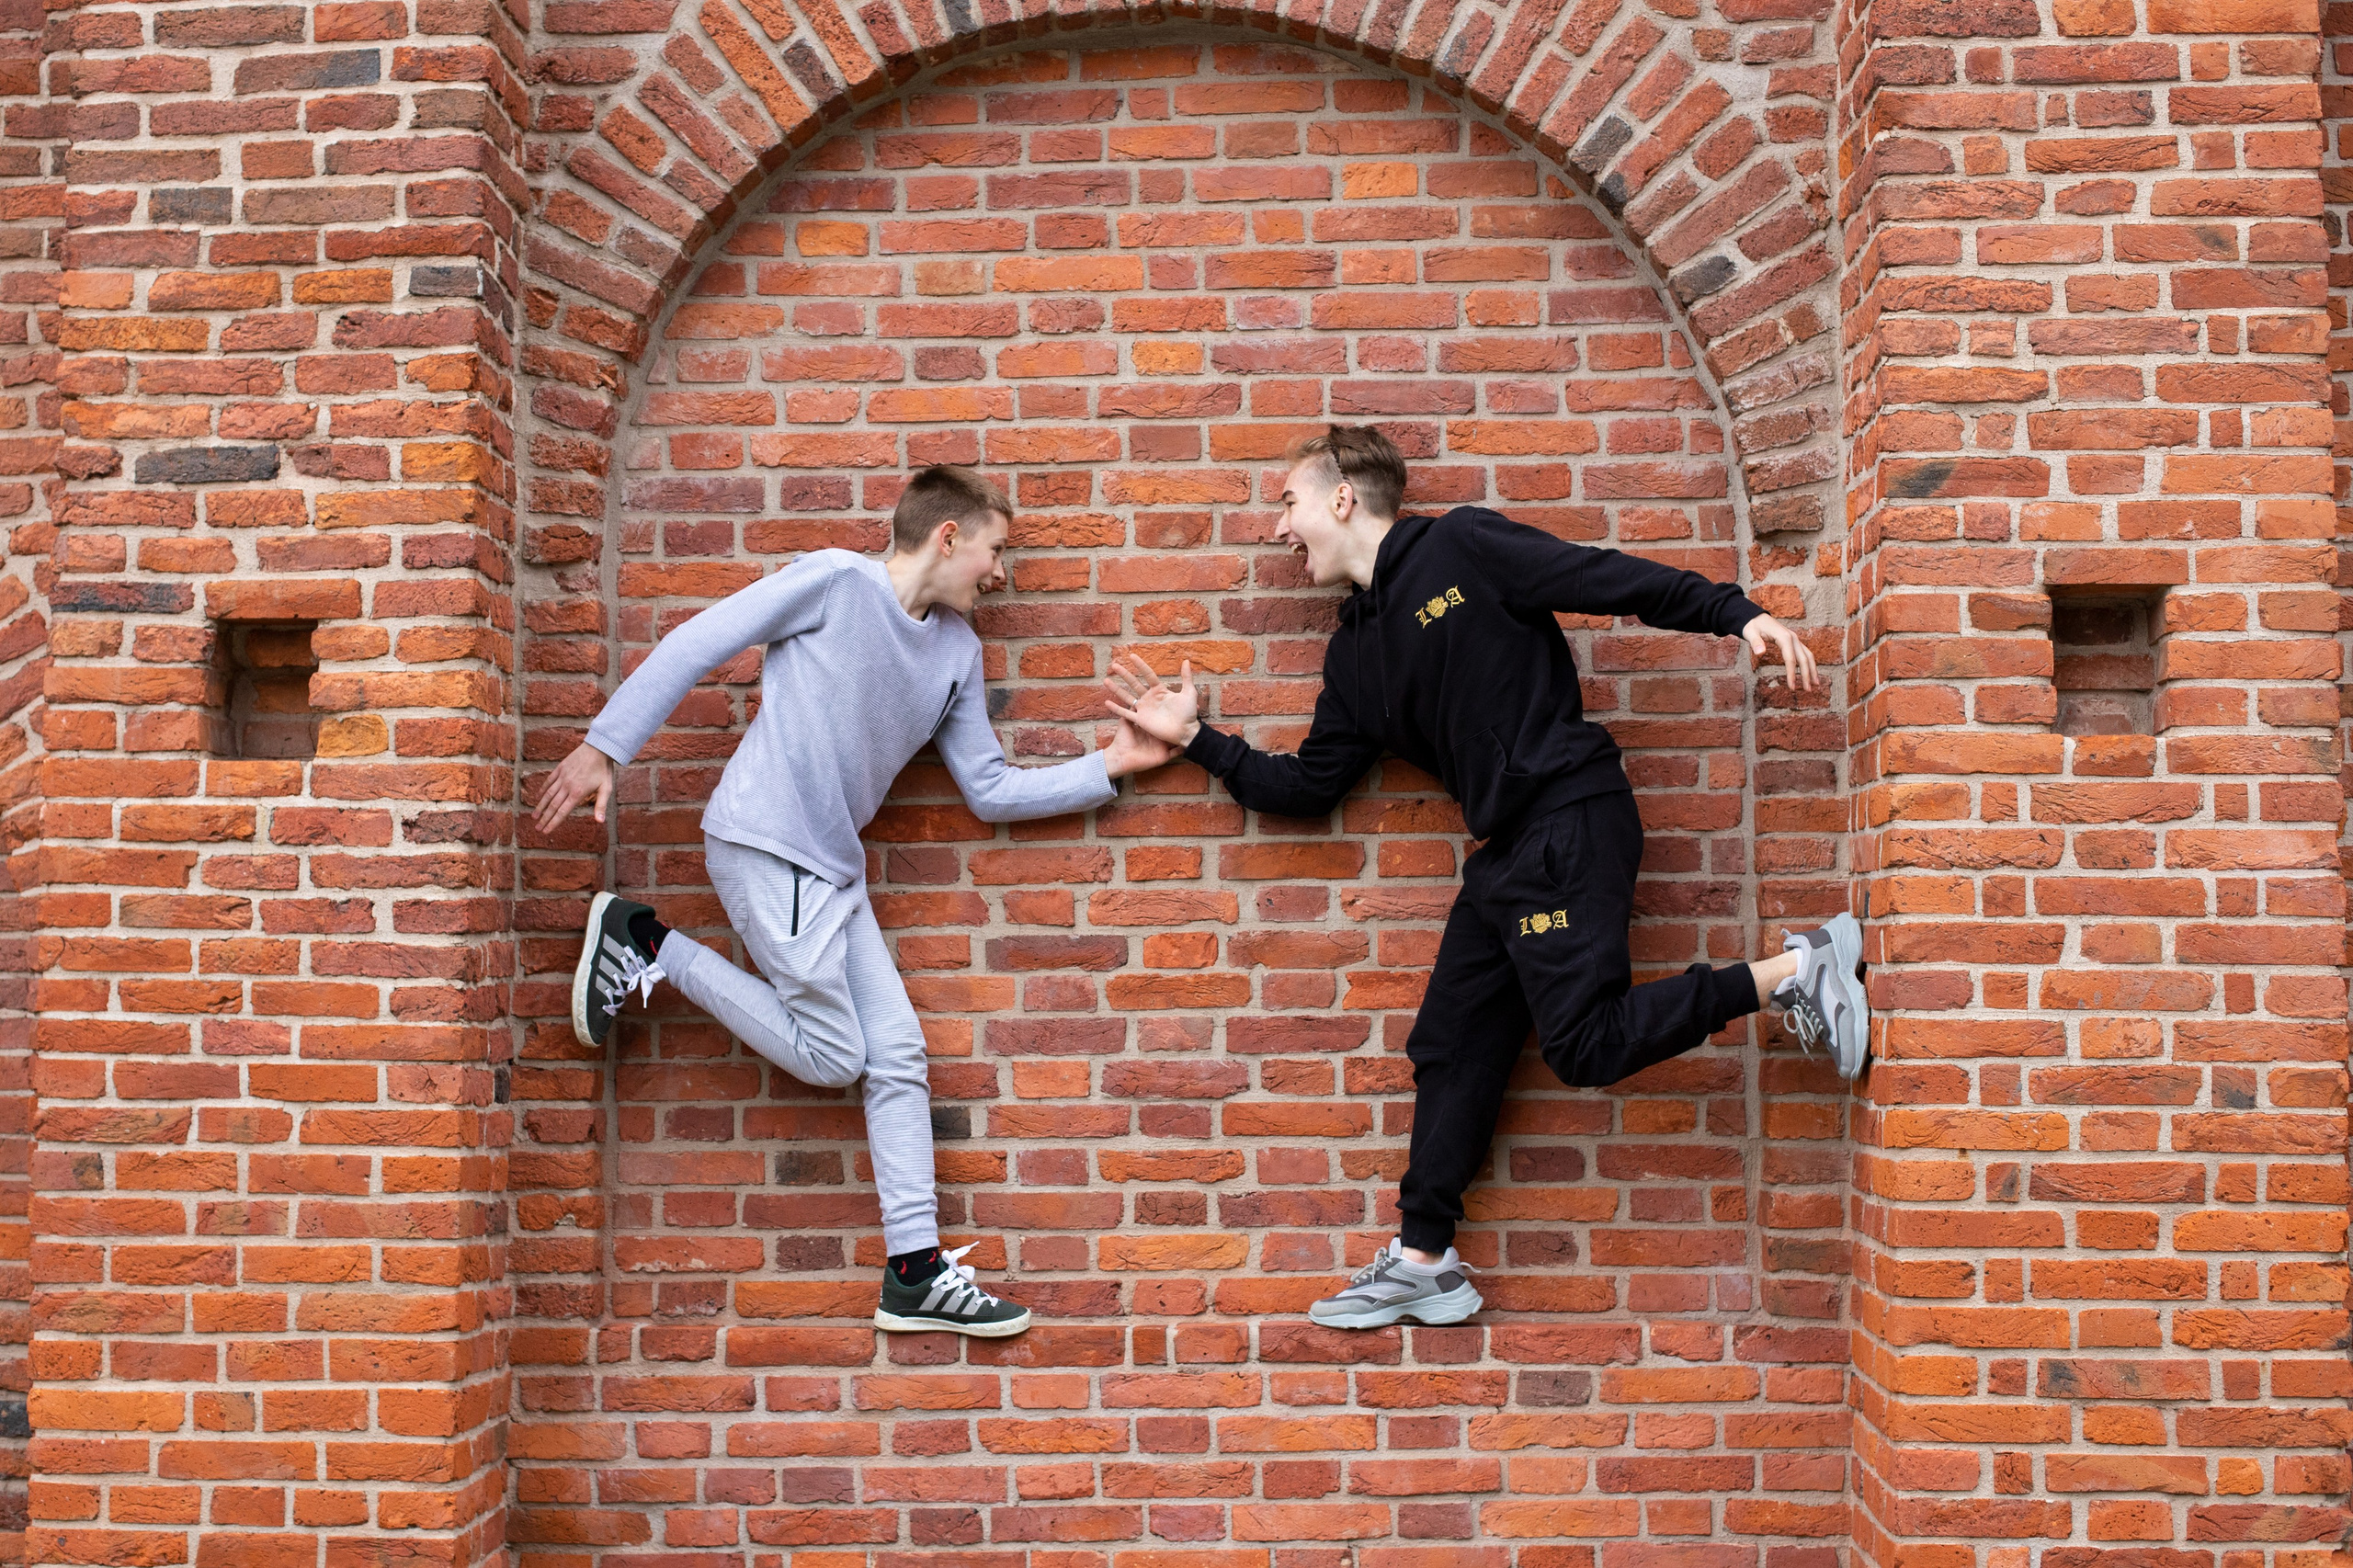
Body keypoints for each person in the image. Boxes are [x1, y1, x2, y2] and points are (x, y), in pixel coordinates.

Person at [1105, 426, 1867, 1332]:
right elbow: (1308, 786)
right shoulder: (1354, 657)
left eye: (1287, 502)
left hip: (1569, 819)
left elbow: (1603, 577)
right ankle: (1423, 1261)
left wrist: (1734, 612)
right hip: (1511, 852)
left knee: (1584, 1043)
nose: (1279, 528)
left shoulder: (1460, 548)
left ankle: (1798, 971)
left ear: (1343, 497)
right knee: (1450, 1043)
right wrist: (1199, 741)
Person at [534, 465, 1176, 1337]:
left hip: (831, 871)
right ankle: (650, 947)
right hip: (765, 843)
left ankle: (914, 1272)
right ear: (949, 537)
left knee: (900, 1056)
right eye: (995, 551)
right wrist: (606, 746)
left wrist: (1115, 766)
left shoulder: (955, 653)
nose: (999, 572)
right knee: (838, 1059)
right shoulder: (834, 582)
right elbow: (699, 640)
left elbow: (986, 787)